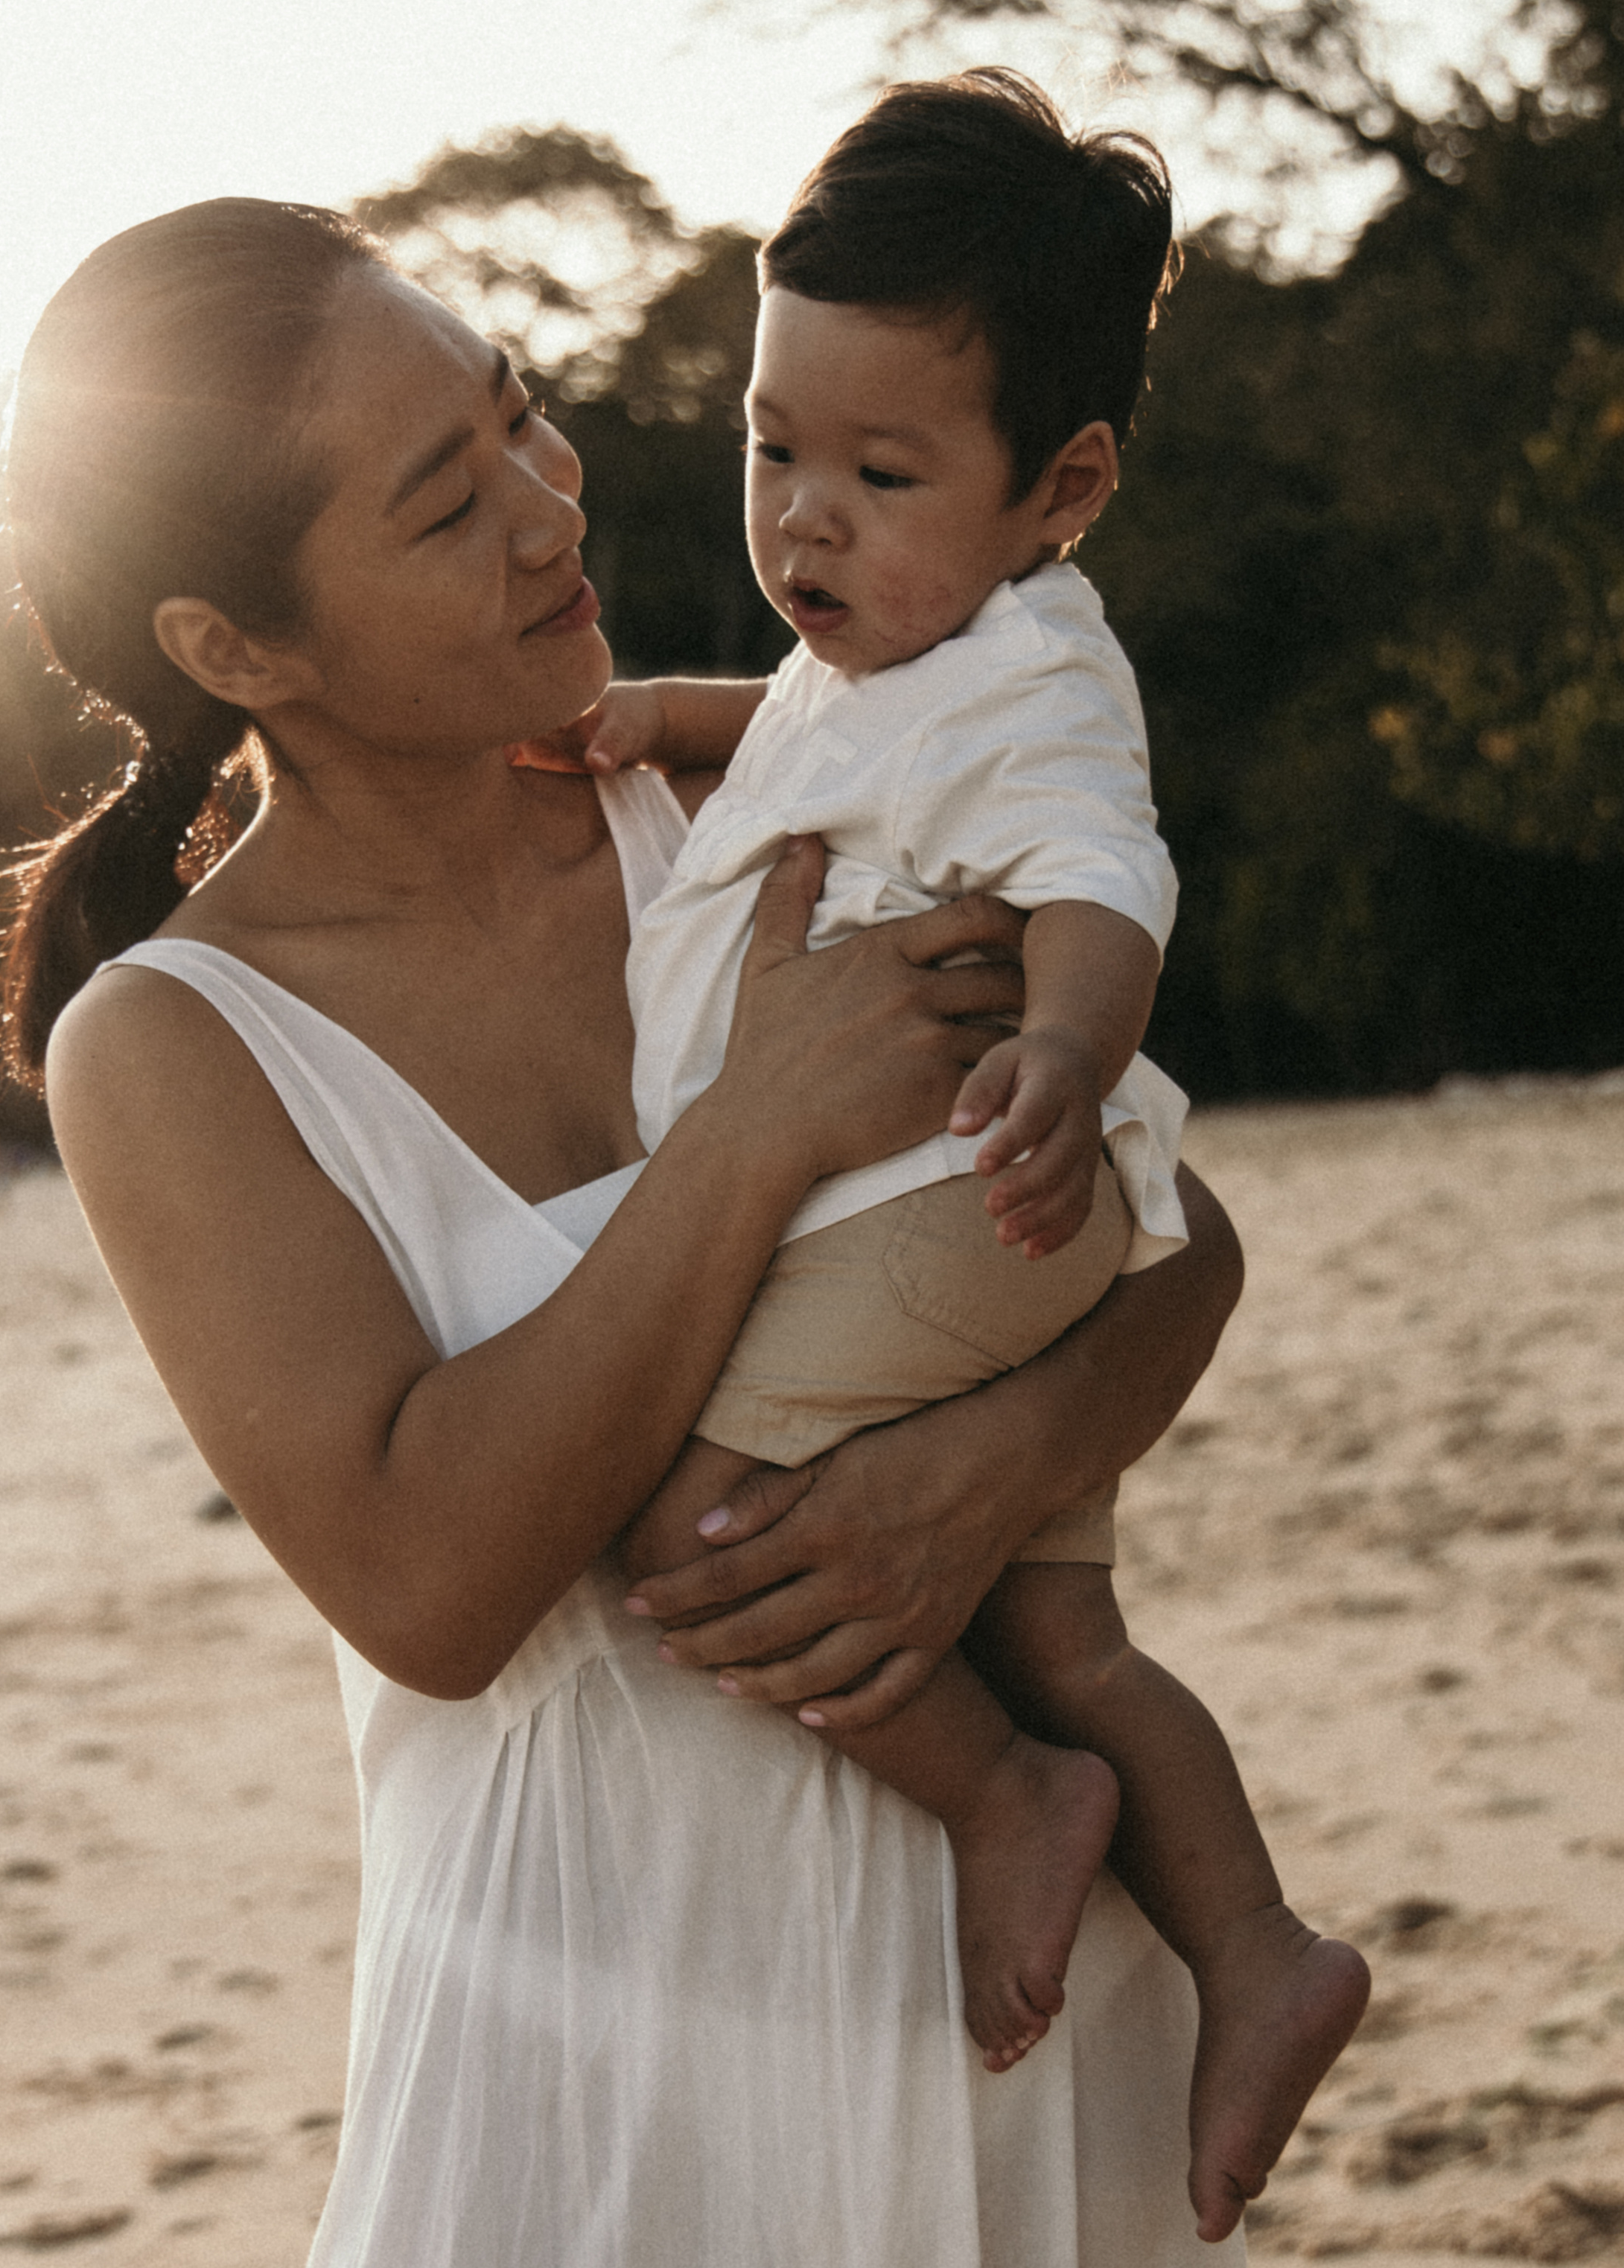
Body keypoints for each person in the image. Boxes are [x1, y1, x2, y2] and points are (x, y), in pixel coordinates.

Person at [0, 191, 1249, 2266]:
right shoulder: (172, 1045)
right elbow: (429, 1581)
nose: (547, 506)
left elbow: (1160, 1223)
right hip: (591, 2043)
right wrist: (748, 1135)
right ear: (238, 650)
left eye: (521, 414)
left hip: (1009, 1972)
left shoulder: (766, 798)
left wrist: (993, 1471)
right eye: (439, 502)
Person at [536, 70, 1368, 2240]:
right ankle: (1258, 1953)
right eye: (770, 447)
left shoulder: (1042, 690)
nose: (805, 517)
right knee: (1068, 1624)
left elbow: (1105, 866)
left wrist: (1071, 1051)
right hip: (997, 1223)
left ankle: (1005, 1798)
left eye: (880, 470)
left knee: (671, 1498)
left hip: (952, 1202)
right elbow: (832, 728)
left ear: (1061, 487)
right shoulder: (913, 636)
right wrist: (672, 716)